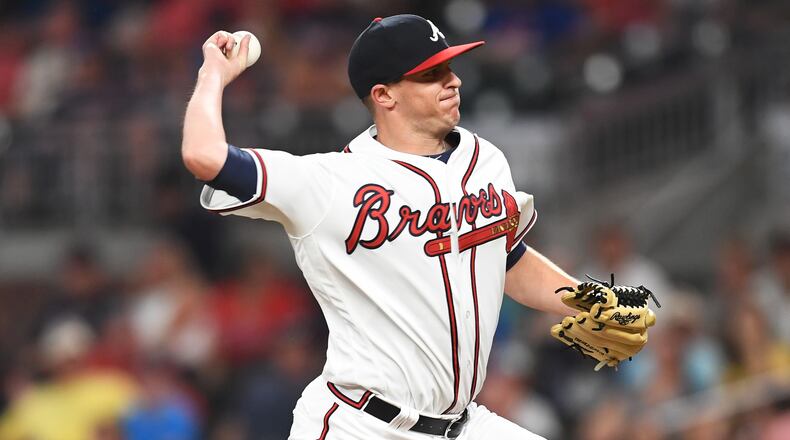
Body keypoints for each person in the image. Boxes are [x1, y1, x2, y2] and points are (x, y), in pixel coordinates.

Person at [182, 14, 607, 439]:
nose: (453, 81)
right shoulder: (332, 182)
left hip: (463, 424)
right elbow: (205, 156)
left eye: (450, 67)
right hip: (361, 423)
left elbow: (505, 257)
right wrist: (213, 75)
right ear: (384, 95)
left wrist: (590, 302)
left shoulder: (485, 159)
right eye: (431, 74)